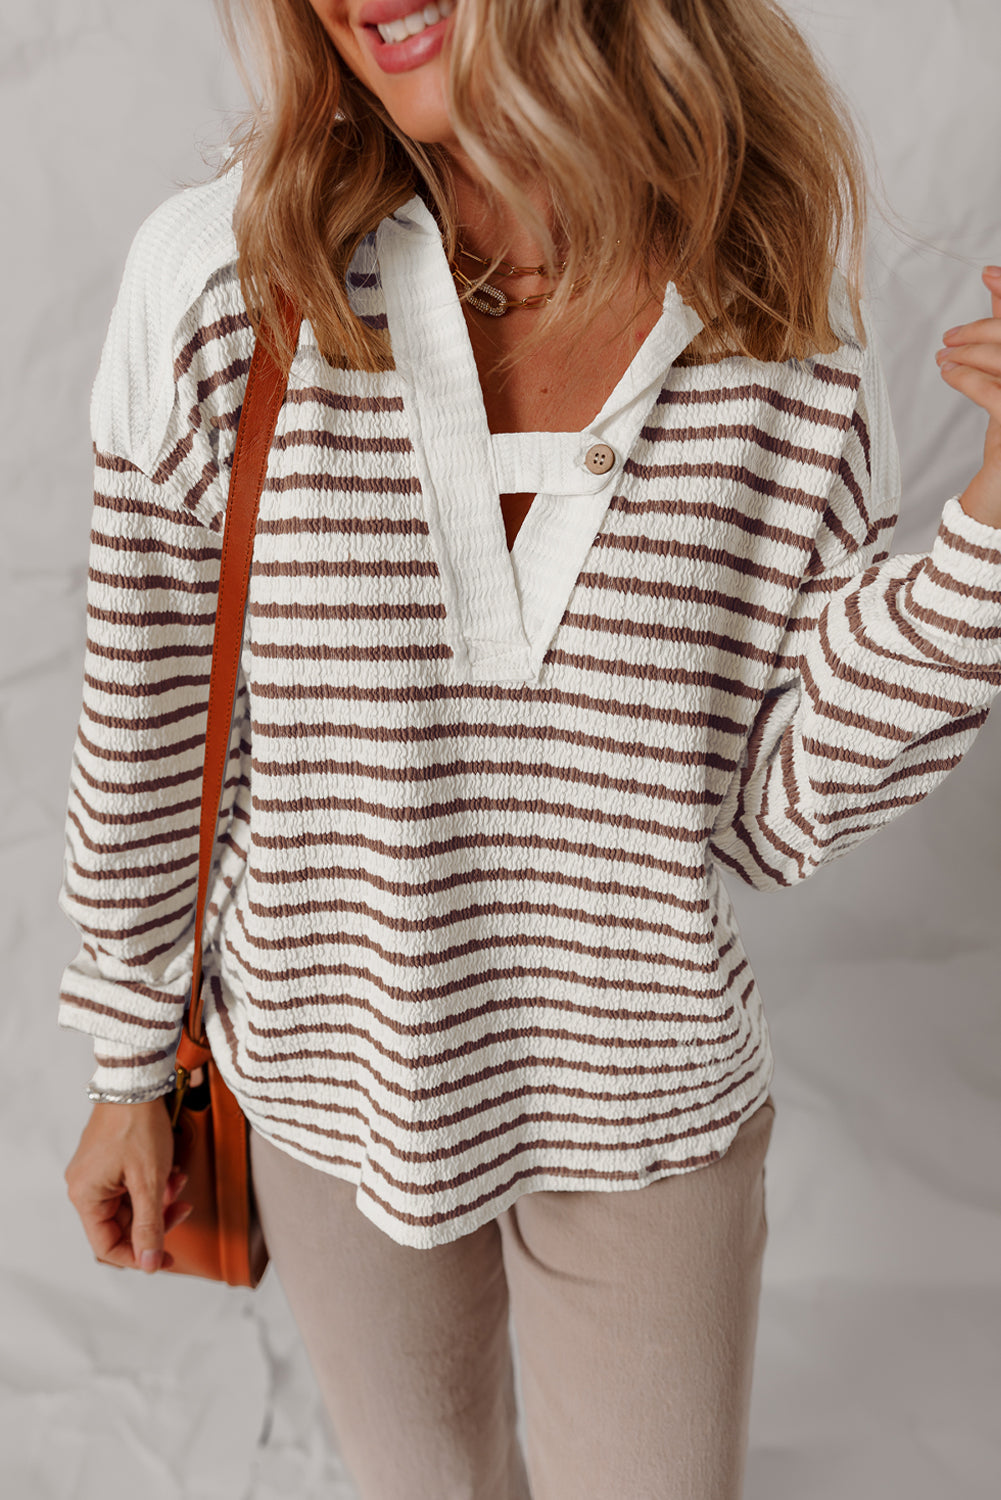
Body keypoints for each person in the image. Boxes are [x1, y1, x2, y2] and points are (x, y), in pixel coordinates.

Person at [60, 2, 1001, 1496]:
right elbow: (151, 712)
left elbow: (768, 803)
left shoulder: (767, 300)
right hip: (324, 1078)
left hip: (645, 1103)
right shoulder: (223, 282)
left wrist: (994, 532)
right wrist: (130, 1062)